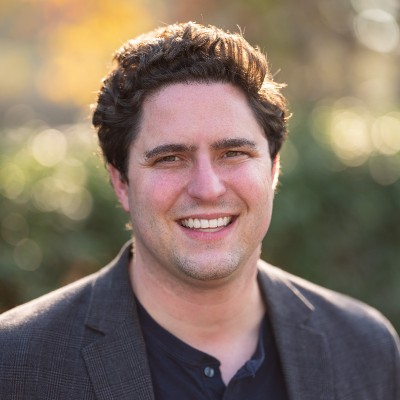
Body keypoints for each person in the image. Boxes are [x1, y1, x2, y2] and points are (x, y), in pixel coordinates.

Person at [0, 21, 399, 400]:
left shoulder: (365, 349)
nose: (207, 188)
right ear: (121, 182)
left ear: (273, 169)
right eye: (170, 158)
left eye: (234, 153)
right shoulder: (16, 363)